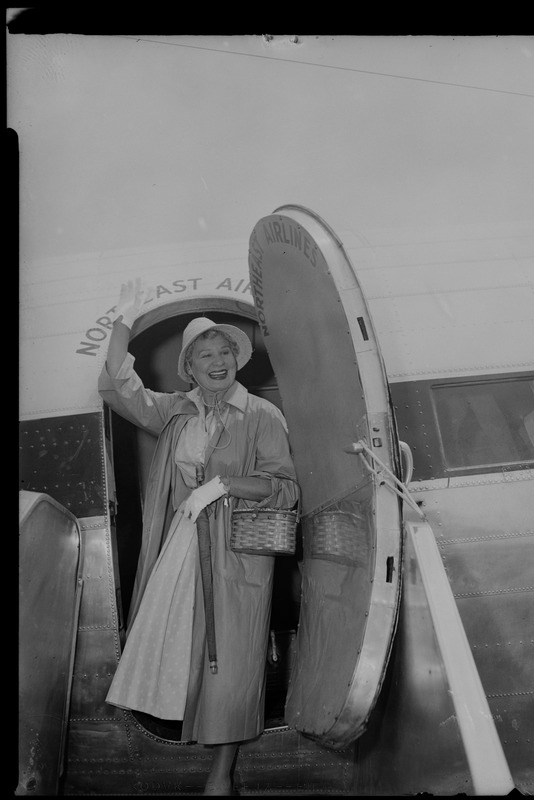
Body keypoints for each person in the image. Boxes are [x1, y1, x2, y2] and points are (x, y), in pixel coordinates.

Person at [99, 280, 299, 795]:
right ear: (189, 367)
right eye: (204, 354)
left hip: (237, 556)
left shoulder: (262, 416)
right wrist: (123, 319)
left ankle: (220, 775)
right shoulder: (176, 411)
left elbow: (285, 488)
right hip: (183, 550)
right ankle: (194, 750)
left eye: (224, 351)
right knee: (184, 653)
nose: (217, 361)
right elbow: (121, 386)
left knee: (231, 663)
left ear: (237, 358)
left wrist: (223, 484)